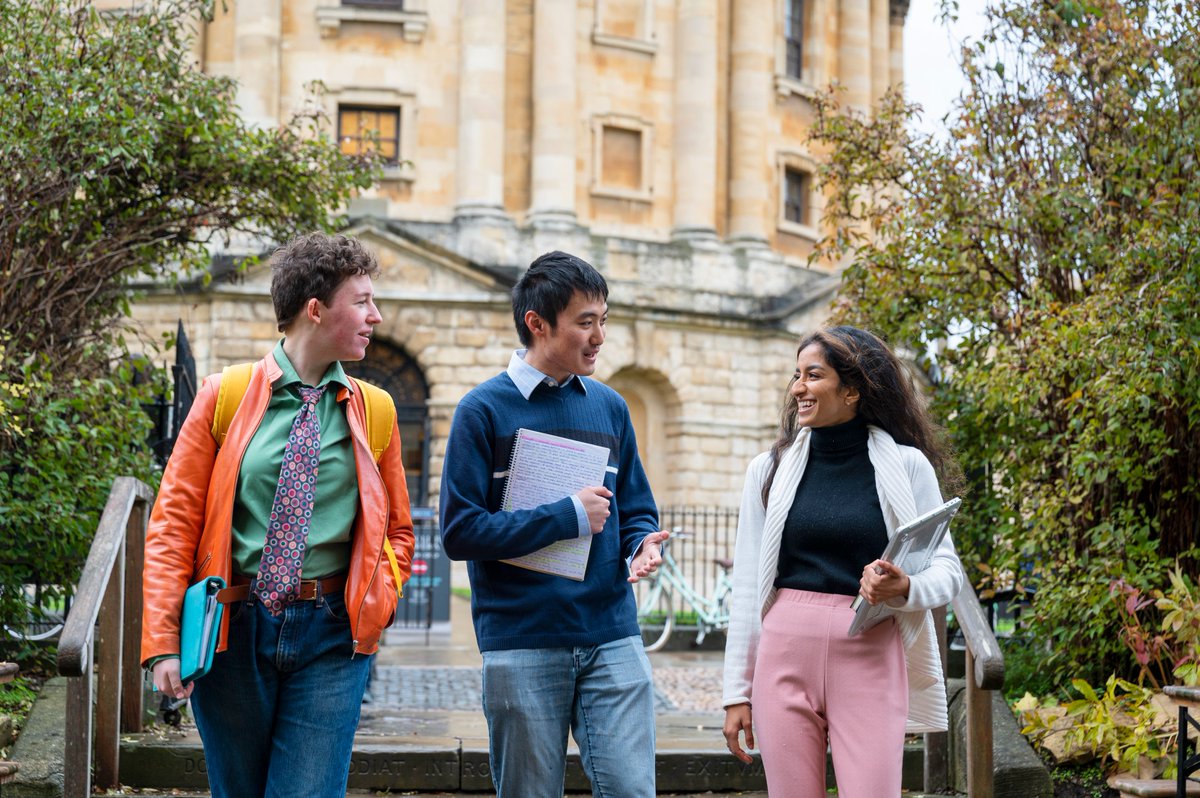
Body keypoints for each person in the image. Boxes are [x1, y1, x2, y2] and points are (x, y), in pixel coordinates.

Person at [140, 233, 415, 798]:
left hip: (333, 635)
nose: (376, 316)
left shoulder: (376, 410)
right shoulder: (225, 395)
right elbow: (174, 525)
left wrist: (380, 596)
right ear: (315, 309)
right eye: (361, 301)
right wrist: (163, 642)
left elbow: (397, 530)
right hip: (233, 631)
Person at [439, 250, 669, 798]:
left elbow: (636, 506)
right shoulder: (482, 410)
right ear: (537, 324)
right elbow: (460, 531)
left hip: (612, 634)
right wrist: (565, 516)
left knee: (633, 791)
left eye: (603, 320)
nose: (599, 336)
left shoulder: (611, 407)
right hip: (522, 640)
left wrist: (641, 545)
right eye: (585, 322)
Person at [721, 325, 963, 798]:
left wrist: (905, 588)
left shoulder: (908, 466)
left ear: (852, 390)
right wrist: (737, 692)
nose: (798, 388)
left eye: (813, 375)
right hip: (784, 653)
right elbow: (749, 586)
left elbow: (947, 571)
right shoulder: (767, 470)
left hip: (869, 649)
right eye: (797, 376)